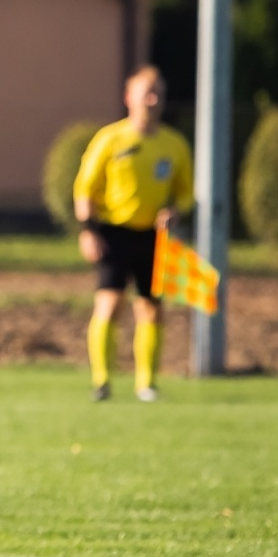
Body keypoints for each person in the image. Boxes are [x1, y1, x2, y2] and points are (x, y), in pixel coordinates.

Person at [72, 66, 193, 402]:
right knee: (109, 305)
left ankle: (146, 385)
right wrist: (87, 231)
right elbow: (85, 188)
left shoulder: (174, 144)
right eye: (147, 94)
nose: (153, 101)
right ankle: (102, 381)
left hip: (152, 237)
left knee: (151, 309)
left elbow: (185, 192)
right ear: (129, 98)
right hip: (113, 232)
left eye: (159, 94)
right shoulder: (110, 139)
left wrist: (175, 211)